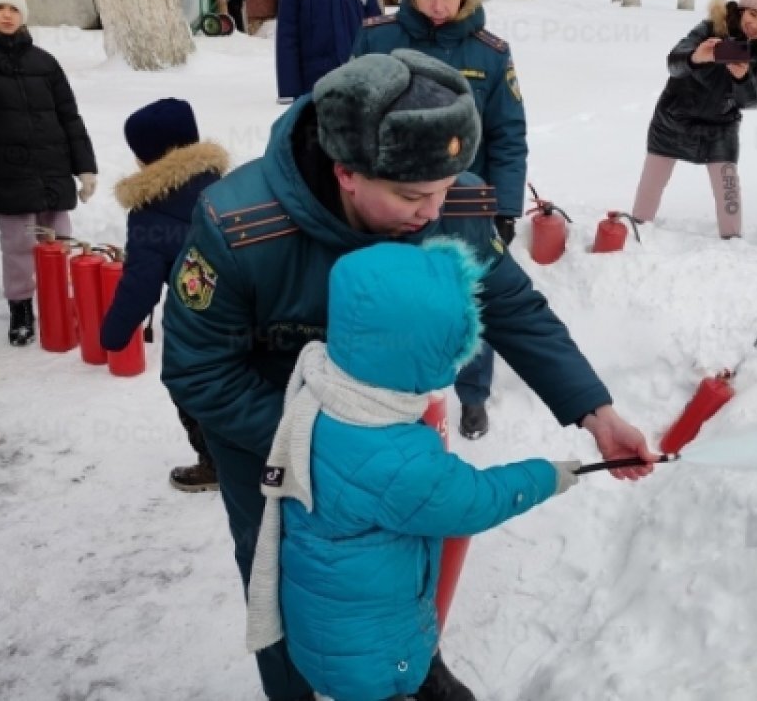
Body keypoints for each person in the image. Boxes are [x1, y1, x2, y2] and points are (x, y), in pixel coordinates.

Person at [161, 50, 654, 701]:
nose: (434, 211)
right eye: (412, 196)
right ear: (346, 172)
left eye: (445, 188)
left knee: (399, 550)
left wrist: (596, 411)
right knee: (287, 575)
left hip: (391, 427)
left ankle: (411, 663)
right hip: (272, 439)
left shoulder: (445, 193)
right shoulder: (240, 225)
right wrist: (316, 442)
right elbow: (198, 369)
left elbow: (511, 305)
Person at [244, 239, 582, 701]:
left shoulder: (325, 384)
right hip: (370, 656)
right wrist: (549, 475)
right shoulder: (397, 459)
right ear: (426, 353)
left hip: (328, 624)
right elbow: (475, 501)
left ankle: (422, 674)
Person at [353, 0, 526, 440]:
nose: (437, 5)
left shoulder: (490, 53)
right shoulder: (377, 38)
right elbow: (348, 115)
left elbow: (508, 134)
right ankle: (397, 395)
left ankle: (473, 394)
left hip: (464, 201)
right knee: (394, 297)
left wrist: (505, 207)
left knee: (469, 298)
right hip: (390, 198)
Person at [100, 98, 227, 492]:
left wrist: (112, 334)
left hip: (199, 322)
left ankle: (216, 464)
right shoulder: (229, 187)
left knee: (187, 383)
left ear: (145, 157)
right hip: (254, 309)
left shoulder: (149, 211)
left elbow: (140, 285)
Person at [631, 0, 757, 239]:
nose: (755, 24)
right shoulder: (710, 28)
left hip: (720, 129)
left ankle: (732, 244)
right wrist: (696, 57)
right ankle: (635, 233)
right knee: (649, 189)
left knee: (729, 194)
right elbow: (673, 63)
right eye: (753, 14)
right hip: (673, 119)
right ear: (742, 10)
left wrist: (742, 78)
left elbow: (753, 101)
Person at [0, 0, 97, 346]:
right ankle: (21, 306)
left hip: (53, 169)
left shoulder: (45, 63)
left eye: (12, 8)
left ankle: (58, 300)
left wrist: (85, 167)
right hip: (8, 175)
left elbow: (69, 116)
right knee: (19, 245)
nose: (6, 15)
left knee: (58, 239)